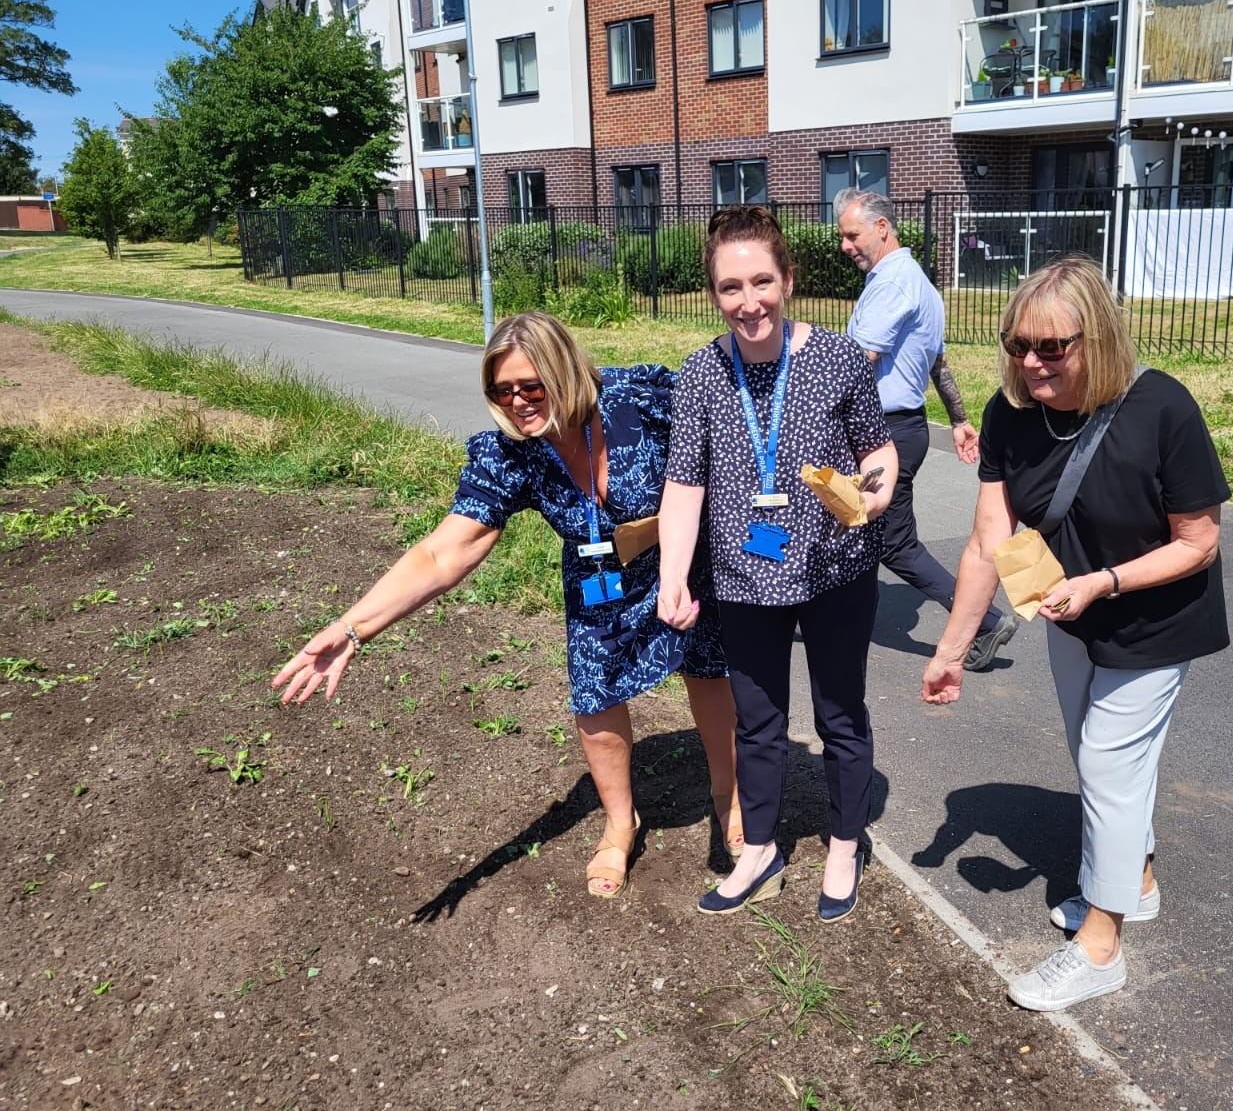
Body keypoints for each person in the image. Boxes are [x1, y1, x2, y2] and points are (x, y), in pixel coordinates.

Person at [272, 312, 740, 900]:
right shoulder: (511, 454)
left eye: (531, 386)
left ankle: (730, 798)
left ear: (565, 371)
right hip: (599, 575)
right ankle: (621, 823)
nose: (517, 402)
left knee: (709, 670)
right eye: (503, 390)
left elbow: (725, 441)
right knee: (595, 695)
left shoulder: (638, 401)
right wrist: (353, 628)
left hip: (684, 558)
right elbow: (445, 553)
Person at [921, 257, 1229, 1011]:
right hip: (1070, 614)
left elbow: (1199, 542)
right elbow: (987, 541)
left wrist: (1105, 581)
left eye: (1052, 347)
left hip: (1156, 617)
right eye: (1018, 344)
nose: (1031, 362)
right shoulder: (1009, 413)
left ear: (1099, 336)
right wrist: (951, 652)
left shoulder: (1162, 409)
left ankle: (1100, 948)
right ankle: (1138, 883)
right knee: (1099, 763)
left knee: (1107, 764)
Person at [657, 205, 897, 923]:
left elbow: (877, 451)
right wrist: (673, 574)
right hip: (742, 578)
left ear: (788, 279)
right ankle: (758, 847)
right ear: (714, 293)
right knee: (757, 724)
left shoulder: (837, 359)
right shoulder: (701, 373)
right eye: (731, 287)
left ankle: (845, 842)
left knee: (840, 715)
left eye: (762, 281)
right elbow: (684, 483)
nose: (749, 301)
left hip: (834, 568)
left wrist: (870, 498)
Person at [834, 187, 1019, 671]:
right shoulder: (919, 283)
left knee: (894, 543)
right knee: (852, 527)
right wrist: (958, 418)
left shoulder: (892, 286)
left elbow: (857, 363)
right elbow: (937, 362)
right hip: (905, 426)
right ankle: (827, 614)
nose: (845, 246)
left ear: (881, 227)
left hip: (884, 434)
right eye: (842, 236)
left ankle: (983, 621)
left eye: (852, 235)